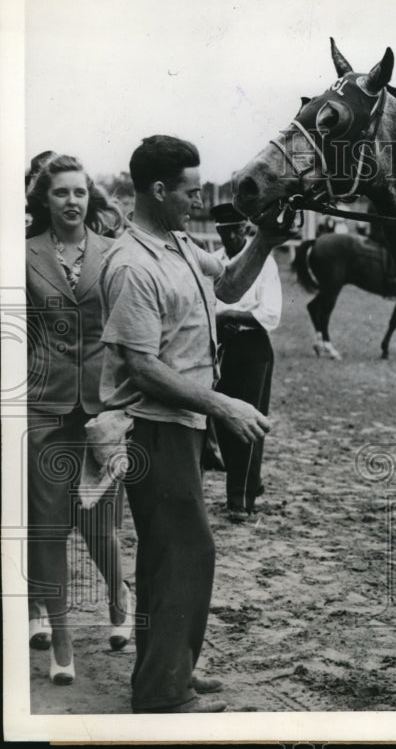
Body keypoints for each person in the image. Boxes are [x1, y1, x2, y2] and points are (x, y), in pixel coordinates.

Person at [99, 135, 291, 713]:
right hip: (152, 426)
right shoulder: (133, 265)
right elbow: (143, 367)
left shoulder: (179, 243)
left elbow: (229, 283)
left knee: (168, 552)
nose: (199, 198)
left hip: (178, 423)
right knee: (186, 550)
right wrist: (224, 404)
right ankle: (162, 692)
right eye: (190, 190)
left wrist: (267, 237)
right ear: (158, 190)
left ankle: (172, 665)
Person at [24, 154, 133, 686]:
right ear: (44, 200)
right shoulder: (22, 255)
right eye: (61, 193)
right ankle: (61, 640)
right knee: (45, 527)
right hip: (43, 406)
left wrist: (121, 401)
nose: (72, 201)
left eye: (80, 193)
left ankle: (118, 597)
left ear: (91, 199)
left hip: (101, 409)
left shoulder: (113, 254)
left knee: (98, 524)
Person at [209, 202, 282, 523]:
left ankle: (241, 499)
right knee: (222, 418)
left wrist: (227, 314)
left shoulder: (264, 264)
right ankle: (247, 481)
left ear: (247, 229)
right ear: (220, 233)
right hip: (219, 345)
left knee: (249, 420)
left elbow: (270, 314)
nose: (234, 238)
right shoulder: (213, 262)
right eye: (227, 232)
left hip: (252, 346)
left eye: (238, 231)